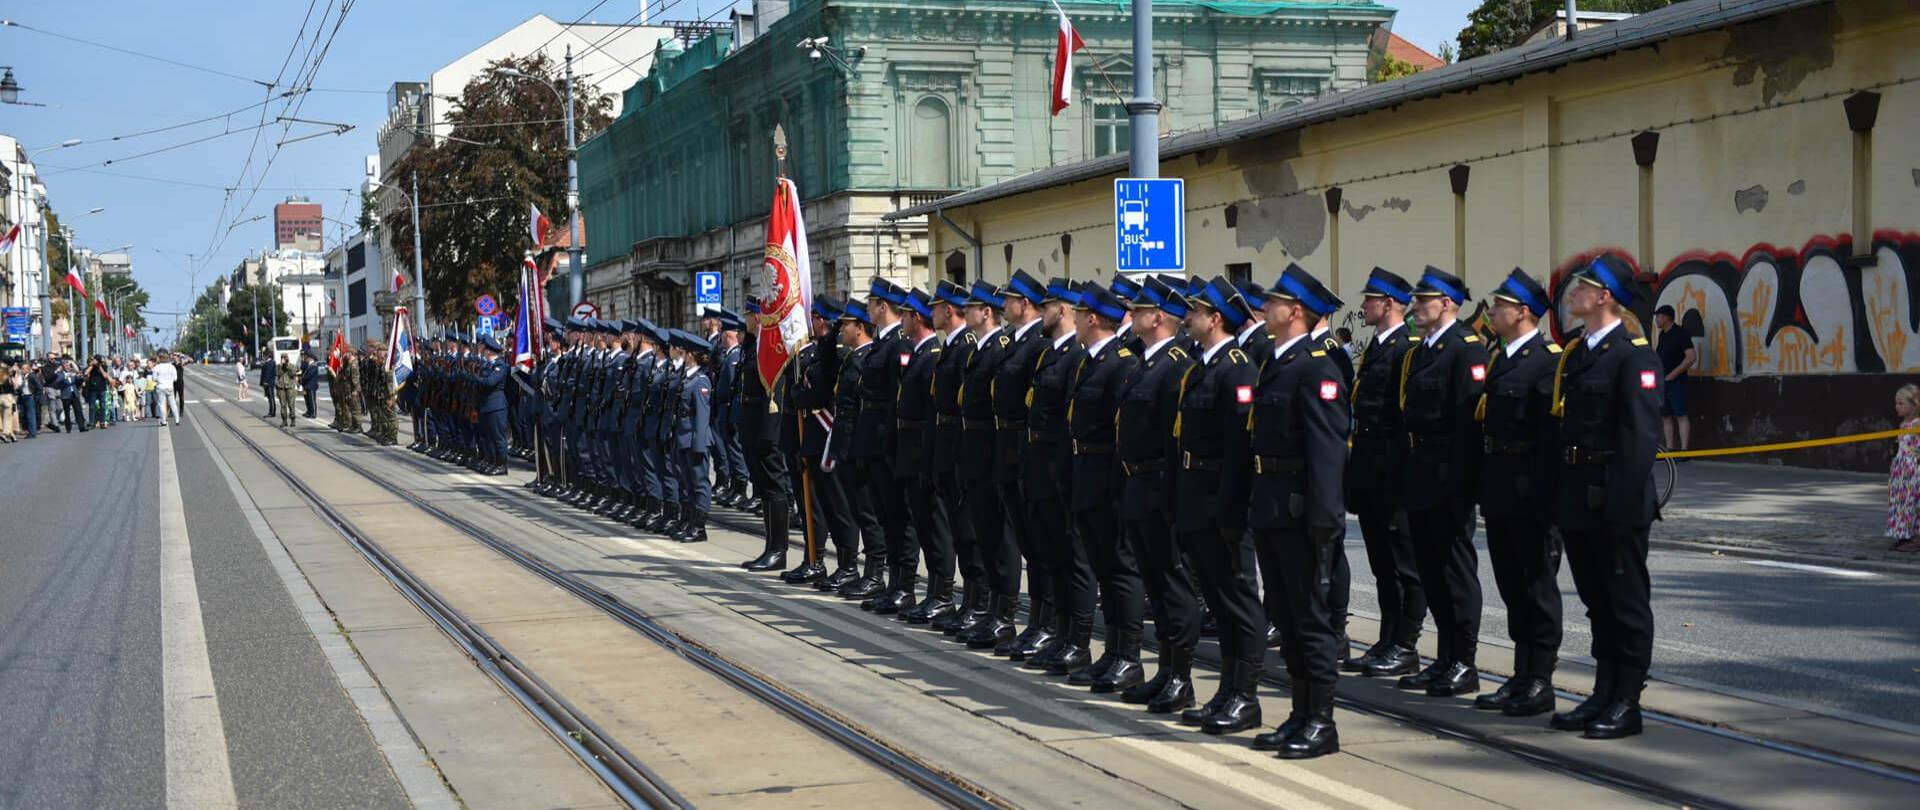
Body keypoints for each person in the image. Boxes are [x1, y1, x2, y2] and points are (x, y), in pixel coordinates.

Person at [1549, 258, 1661, 740]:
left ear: (1605, 298)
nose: (1573, 293)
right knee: (1597, 603)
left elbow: (1639, 442)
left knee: (1626, 603)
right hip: (1579, 496)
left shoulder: (1634, 357)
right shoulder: (1576, 354)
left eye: (1584, 287)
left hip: (1616, 500)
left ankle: (1627, 700)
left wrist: (1621, 507)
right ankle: (1602, 691)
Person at [1246, 265, 1350, 759]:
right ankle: (1299, 713)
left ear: (1297, 311)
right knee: (1286, 617)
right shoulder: (1276, 361)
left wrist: (1324, 523)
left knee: (1310, 619)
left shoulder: (1318, 368)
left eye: (1273, 302)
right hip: (1271, 505)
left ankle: (1321, 722)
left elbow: (1327, 454)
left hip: (1300, 511)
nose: (1264, 308)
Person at [1472, 269, 1566, 718]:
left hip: (1531, 490)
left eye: (1499, 306)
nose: (1491, 312)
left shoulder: (1548, 360)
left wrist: (1548, 499)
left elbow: (1552, 437)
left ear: (1523, 312)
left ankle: (1541, 679)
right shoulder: (1502, 357)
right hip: (1501, 486)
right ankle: (1520, 673)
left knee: (1537, 587)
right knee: (1511, 586)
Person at [1396, 267, 1489, 700]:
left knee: (1455, 571)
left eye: (1422, 300)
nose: (1415, 307)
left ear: (1446, 304)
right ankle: (1444, 657)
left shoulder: (1465, 350)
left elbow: (1470, 426)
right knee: (1431, 572)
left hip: (1448, 477)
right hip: (1418, 473)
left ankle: (1464, 662)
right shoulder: (1421, 352)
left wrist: (1463, 484)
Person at [1653, 305, 1696, 455]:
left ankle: (1684, 451)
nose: (1656, 320)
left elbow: (1691, 357)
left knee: (1681, 414)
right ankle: (1670, 450)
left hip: (1677, 381)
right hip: (1662, 381)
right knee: (1666, 416)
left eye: (1658, 316)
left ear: (1667, 318)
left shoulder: (1681, 333)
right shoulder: (1662, 335)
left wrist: (1674, 374)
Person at [1886, 384, 1920, 553]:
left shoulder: (1917, 424)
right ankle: (1904, 534)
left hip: (1913, 468)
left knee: (1913, 503)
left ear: (1914, 405)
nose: (1896, 407)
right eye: (1896, 403)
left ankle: (1916, 537)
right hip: (1901, 469)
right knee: (1901, 502)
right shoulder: (1902, 425)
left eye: (1901, 403)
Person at [152, 354, 180, 427]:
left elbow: (154, 378)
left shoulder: (157, 367)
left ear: (160, 359)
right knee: (172, 403)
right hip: (169, 387)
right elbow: (175, 378)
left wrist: (160, 379)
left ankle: (164, 420)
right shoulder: (172, 367)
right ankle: (177, 420)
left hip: (160, 387)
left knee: (162, 404)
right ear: (167, 359)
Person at [276, 350, 299, 427]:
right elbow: (278, 373)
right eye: (282, 357)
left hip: (290, 387)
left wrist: (287, 365)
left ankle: (293, 420)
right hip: (281, 387)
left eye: (285, 357)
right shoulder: (278, 366)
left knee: (291, 404)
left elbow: (292, 374)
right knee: (283, 405)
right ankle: (284, 420)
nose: (284, 359)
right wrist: (281, 365)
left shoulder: (292, 366)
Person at [0, 362, 17, 442]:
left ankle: (11, 434)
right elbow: (14, 385)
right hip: (7, 396)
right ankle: (6, 433)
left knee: (1, 417)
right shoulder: (8, 372)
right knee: (9, 417)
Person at [300, 353, 320, 418]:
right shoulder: (309, 365)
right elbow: (302, 370)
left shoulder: (314, 366)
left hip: (311, 385)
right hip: (307, 385)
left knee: (312, 400)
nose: (306, 358)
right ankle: (309, 411)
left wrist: (302, 379)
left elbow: (309, 375)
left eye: (307, 357)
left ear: (311, 358)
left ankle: (313, 413)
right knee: (308, 400)